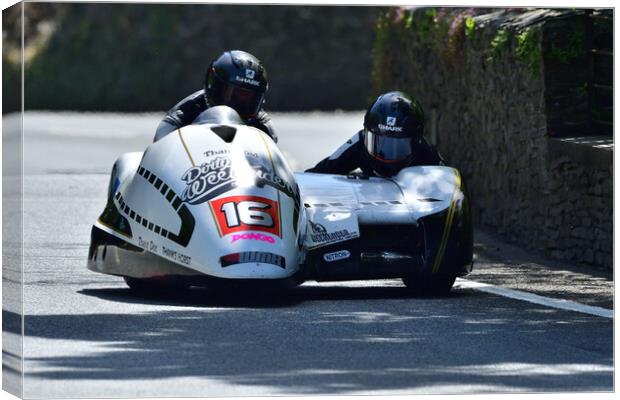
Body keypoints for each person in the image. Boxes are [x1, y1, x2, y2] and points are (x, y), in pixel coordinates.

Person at [306, 91, 444, 177]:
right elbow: (317, 175)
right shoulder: (360, 143)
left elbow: (447, 184)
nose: (386, 155)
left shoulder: (427, 155)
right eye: (379, 143)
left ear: (416, 142)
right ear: (367, 134)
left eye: (398, 146)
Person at [154, 50, 277, 142]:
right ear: (212, 86)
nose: (235, 109)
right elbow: (158, 155)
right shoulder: (178, 118)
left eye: (247, 102)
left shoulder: (265, 127)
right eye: (232, 97)